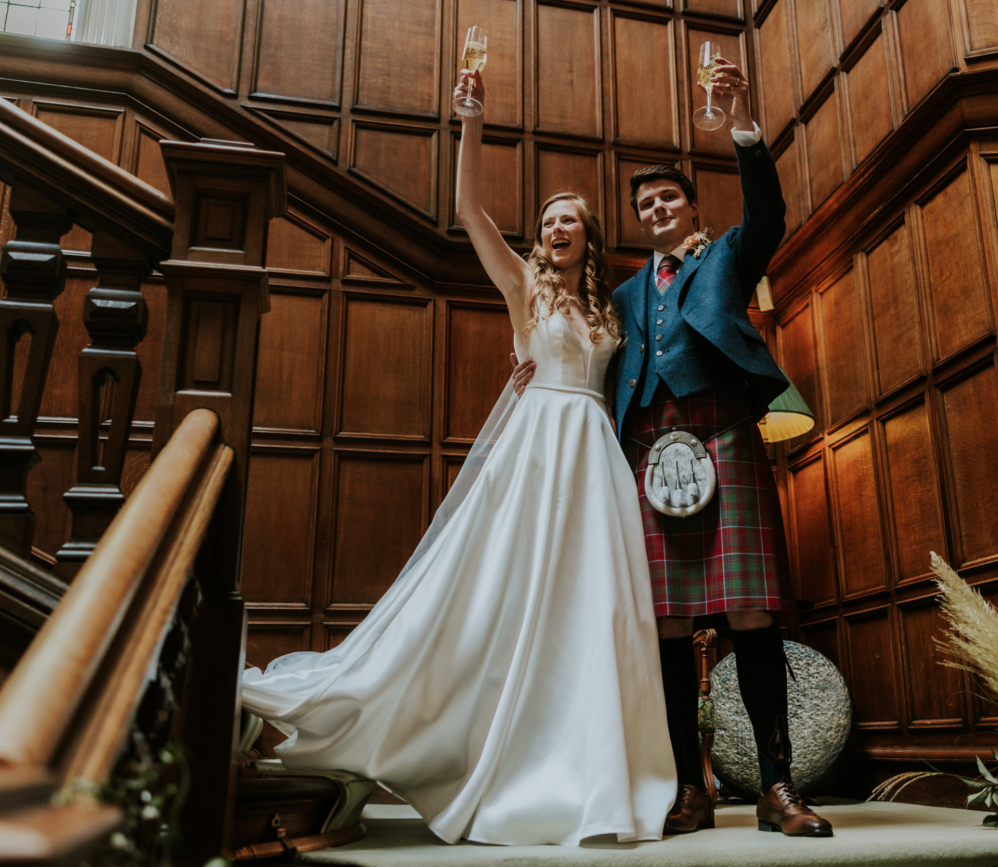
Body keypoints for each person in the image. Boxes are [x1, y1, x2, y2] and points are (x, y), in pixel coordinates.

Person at [238, 69, 675, 846]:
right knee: (493, 600)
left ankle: (596, 769)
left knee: (596, 612)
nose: (555, 228)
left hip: (597, 459)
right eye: (547, 219)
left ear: (590, 236)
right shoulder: (523, 290)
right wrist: (470, 122)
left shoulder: (614, 307)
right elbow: (467, 211)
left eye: (569, 218)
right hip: (539, 451)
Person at [512, 58, 833, 839]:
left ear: (691, 207)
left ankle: (777, 786)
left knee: (753, 614)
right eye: (646, 204)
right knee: (663, 623)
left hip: (723, 435)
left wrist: (743, 125)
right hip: (647, 455)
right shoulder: (620, 297)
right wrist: (530, 369)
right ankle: (691, 789)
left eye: (668, 198)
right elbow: (582, 348)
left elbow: (768, 213)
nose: (656, 209)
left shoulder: (727, 252)